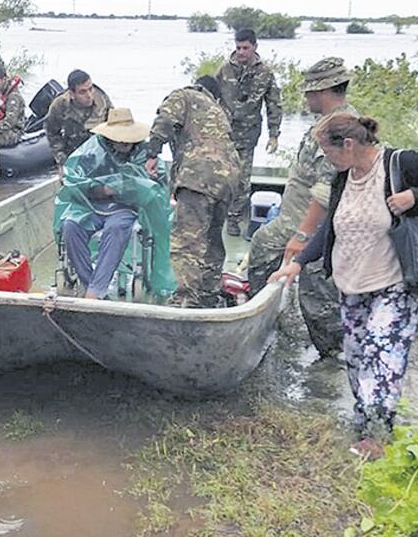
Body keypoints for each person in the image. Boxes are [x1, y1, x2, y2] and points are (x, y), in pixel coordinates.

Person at [269, 113, 418, 459]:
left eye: (327, 152)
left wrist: (415, 196)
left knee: (382, 353)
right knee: (359, 359)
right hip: (352, 285)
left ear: (348, 145)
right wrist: (296, 264)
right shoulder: (342, 177)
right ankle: (364, 425)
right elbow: (329, 229)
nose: (326, 159)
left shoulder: (400, 164)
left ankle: (377, 437)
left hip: (394, 282)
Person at [248, 57, 358, 356]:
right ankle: (264, 315)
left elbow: (325, 191)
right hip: (300, 219)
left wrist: (302, 235)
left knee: (317, 294)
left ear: (323, 91)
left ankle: (335, 356)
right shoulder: (331, 122)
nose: (306, 97)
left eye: (310, 92)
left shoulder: (338, 127)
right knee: (265, 252)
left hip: (313, 225)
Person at [55, 108, 175, 300]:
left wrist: (129, 186)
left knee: (116, 228)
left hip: (125, 208)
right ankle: (90, 284)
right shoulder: (91, 151)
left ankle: (95, 292)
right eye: (120, 138)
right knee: (71, 226)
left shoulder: (145, 153)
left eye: (127, 138)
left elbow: (157, 187)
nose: (124, 142)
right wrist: (105, 189)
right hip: (90, 206)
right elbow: (75, 181)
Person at [147, 76, 240, 308]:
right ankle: (208, 294)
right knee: (211, 238)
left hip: (199, 175)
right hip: (229, 178)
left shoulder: (185, 95)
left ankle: (184, 301)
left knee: (187, 241)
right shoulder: (219, 111)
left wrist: (152, 151)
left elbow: (166, 118)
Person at [215, 28, 283, 237]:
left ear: (254, 47)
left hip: (248, 134)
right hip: (223, 134)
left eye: (246, 48)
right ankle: (217, 219)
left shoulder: (265, 73)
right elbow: (211, 99)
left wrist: (274, 135)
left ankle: (235, 219)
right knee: (222, 178)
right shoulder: (224, 70)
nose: (242, 52)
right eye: (238, 48)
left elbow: (274, 104)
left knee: (242, 180)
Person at [44, 69, 113, 171]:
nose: (89, 95)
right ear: (72, 94)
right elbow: (51, 132)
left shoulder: (102, 99)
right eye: (82, 92)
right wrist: (62, 162)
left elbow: (114, 125)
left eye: (90, 89)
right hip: (73, 152)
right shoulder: (60, 105)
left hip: (100, 151)